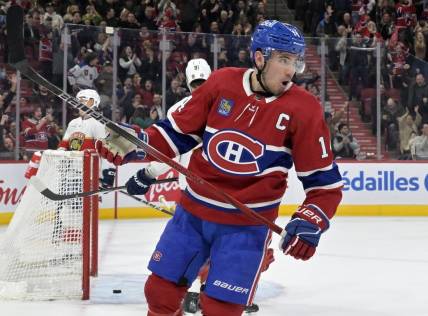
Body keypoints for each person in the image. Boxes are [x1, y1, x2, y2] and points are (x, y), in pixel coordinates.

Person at [96, 20, 343, 315]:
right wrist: (138, 144)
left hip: (247, 227)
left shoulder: (304, 109)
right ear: (260, 57)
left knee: (221, 309)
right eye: (284, 59)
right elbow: (175, 134)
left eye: (295, 61)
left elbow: (324, 187)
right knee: (159, 292)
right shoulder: (221, 82)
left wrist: (311, 220)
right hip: (192, 214)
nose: (291, 70)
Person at [58, 89, 115, 186]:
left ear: (93, 102)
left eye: (82, 101)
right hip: (72, 174)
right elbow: (62, 147)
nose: (78, 105)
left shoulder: (99, 123)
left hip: (91, 175)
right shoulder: (73, 123)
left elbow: (106, 151)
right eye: (78, 102)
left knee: (89, 201)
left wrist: (109, 174)